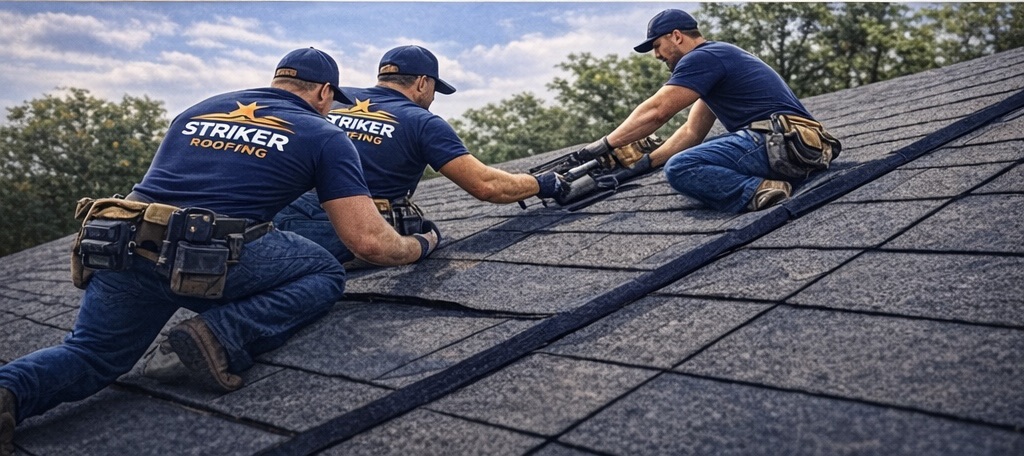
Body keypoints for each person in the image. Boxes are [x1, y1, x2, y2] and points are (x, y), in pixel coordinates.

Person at [0, 47, 439, 454]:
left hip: (127, 242)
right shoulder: (323, 135)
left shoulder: (197, 110)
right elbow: (367, 242)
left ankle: (10, 393)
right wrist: (420, 244)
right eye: (331, 99)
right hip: (210, 256)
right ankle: (217, 336)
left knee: (89, 353)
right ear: (325, 92)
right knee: (324, 272)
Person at [272, 45, 564, 267]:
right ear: (423, 83)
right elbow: (486, 185)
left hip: (280, 214)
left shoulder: (332, 98)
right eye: (435, 89)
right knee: (424, 234)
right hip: (352, 227)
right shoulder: (422, 121)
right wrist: (542, 183)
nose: (433, 98)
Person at [574, 9, 840, 213]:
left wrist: (601, 146)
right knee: (694, 152)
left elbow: (657, 112)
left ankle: (760, 190)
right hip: (800, 146)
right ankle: (764, 181)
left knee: (681, 166)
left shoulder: (702, 57)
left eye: (657, 46)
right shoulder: (719, 60)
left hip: (780, 143)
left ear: (676, 36)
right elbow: (691, 132)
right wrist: (641, 165)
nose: (657, 55)